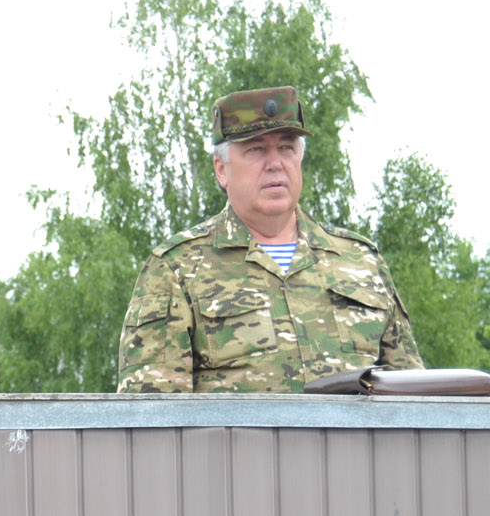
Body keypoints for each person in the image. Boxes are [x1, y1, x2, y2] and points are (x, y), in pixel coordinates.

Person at [117, 86, 421, 393]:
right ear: (222, 171)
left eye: (286, 148)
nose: (275, 163)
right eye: (256, 150)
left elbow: (414, 397)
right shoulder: (176, 269)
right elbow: (153, 414)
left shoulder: (362, 260)